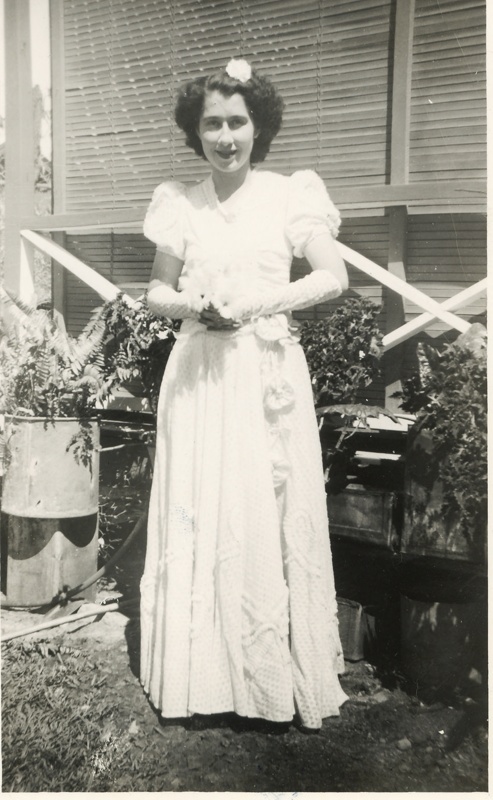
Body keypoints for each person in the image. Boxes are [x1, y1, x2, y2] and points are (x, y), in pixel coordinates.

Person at [140, 58, 349, 731]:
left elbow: (332, 277)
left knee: (264, 512)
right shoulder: (180, 201)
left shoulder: (290, 194)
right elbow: (154, 293)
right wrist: (192, 301)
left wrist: (261, 302)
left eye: (236, 122)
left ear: (258, 127)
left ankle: (267, 678)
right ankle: (200, 673)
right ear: (194, 133)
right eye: (211, 125)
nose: (225, 136)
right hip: (200, 372)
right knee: (203, 511)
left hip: (264, 371)